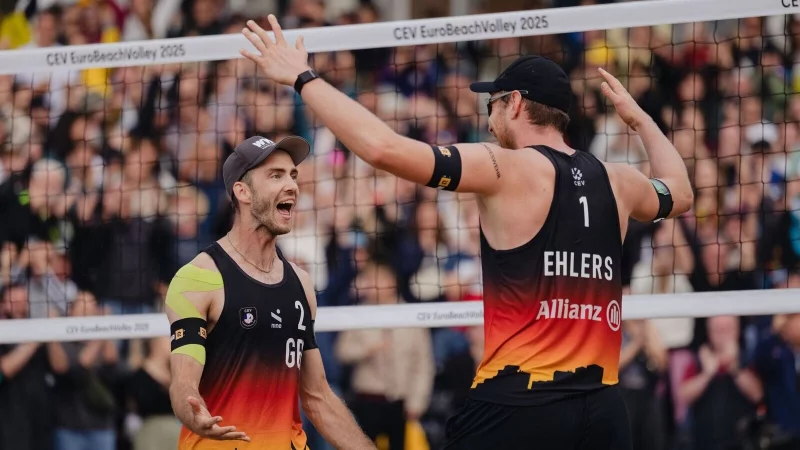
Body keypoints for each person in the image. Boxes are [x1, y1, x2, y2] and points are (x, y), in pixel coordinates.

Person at [239, 15, 693, 449]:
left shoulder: (501, 166)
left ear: (514, 102)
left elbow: (382, 149)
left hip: (521, 403)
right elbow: (681, 192)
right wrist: (640, 120)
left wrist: (303, 78)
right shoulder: (619, 180)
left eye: (491, 104)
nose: (489, 118)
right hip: (604, 406)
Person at [165, 135, 375, 449]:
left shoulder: (302, 283)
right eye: (275, 175)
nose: (291, 185)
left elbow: (317, 397)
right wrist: (192, 410)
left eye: (293, 175)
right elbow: (183, 383)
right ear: (243, 191)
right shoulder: (201, 277)